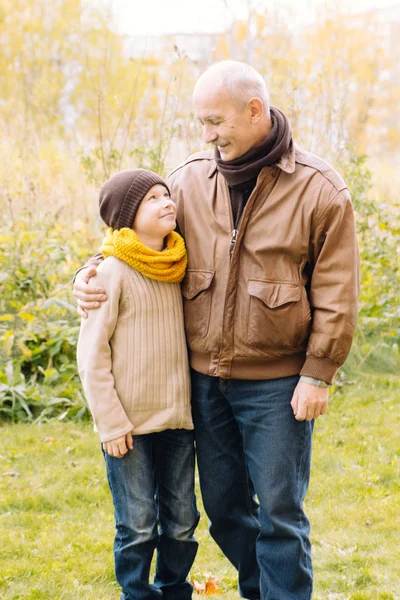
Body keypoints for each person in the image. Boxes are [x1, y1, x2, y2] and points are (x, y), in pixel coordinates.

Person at [74, 61, 359, 600]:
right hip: (202, 382)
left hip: (279, 384)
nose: (206, 135)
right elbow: (134, 237)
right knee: (225, 511)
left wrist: (318, 374)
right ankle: (259, 589)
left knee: (279, 513)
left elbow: (338, 291)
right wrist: (86, 273)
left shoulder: (321, 190)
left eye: (214, 122)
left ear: (255, 111)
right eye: (200, 122)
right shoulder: (187, 179)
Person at [76, 168, 199, 600]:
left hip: (178, 422)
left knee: (183, 521)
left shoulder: (179, 263)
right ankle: (137, 594)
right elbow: (92, 356)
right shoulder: (111, 273)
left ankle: (173, 589)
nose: (167, 202)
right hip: (126, 426)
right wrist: (110, 423)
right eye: (152, 199)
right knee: (138, 524)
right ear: (127, 217)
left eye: (167, 194)